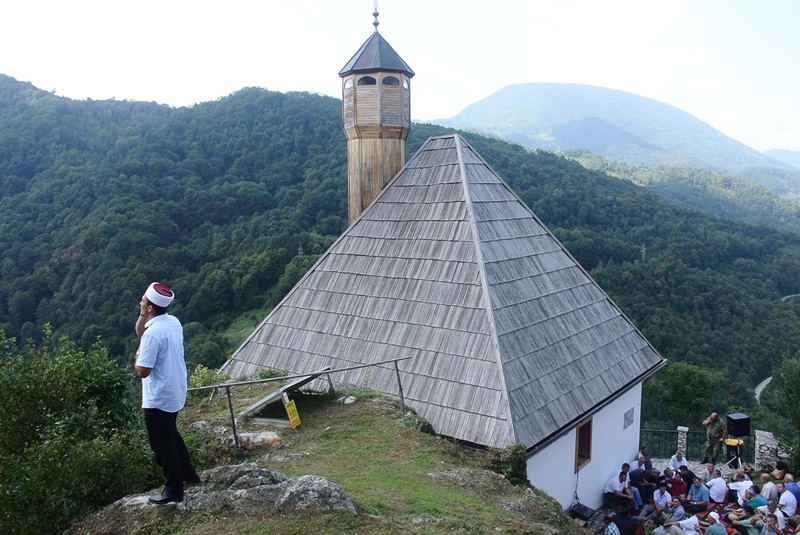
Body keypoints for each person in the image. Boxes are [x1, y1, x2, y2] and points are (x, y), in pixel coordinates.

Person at [135, 282, 200, 505]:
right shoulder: (173, 322)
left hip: (158, 396)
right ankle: (188, 473)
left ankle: (173, 488)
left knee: (162, 445)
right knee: (170, 433)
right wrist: (143, 314)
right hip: (175, 389)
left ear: (150, 307)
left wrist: (137, 357)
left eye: (143, 301)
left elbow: (143, 371)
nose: (140, 301)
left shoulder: (153, 335)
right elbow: (140, 331)